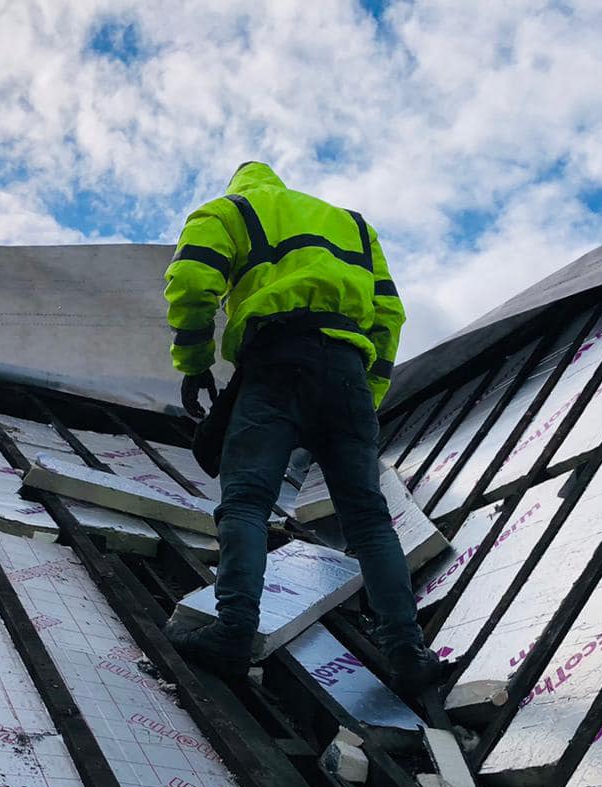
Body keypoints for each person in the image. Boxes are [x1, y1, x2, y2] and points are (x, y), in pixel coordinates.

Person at [162, 161, 441, 695]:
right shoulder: (354, 226)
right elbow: (388, 319)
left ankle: (233, 631)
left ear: (238, 184)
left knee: (245, 502)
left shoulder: (233, 210)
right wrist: (363, 398)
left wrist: (195, 361)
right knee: (369, 521)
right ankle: (406, 651)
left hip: (276, 364)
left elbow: (193, 278)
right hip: (347, 377)